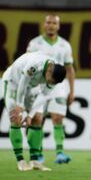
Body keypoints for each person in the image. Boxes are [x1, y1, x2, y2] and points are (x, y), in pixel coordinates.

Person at [2, 51, 66, 171]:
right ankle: (20, 161)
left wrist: (30, 115)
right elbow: (22, 84)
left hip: (32, 87)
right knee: (16, 118)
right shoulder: (34, 65)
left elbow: (43, 96)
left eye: (53, 83)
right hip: (13, 83)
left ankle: (35, 160)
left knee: (37, 118)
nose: (51, 84)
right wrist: (21, 108)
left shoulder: (55, 74)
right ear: (49, 71)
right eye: (51, 81)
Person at [26, 14, 75, 164]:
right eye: (48, 22)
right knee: (37, 119)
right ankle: (38, 153)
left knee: (58, 117)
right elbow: (27, 66)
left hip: (58, 87)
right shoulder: (35, 44)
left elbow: (70, 68)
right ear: (44, 24)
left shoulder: (65, 45)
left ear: (58, 26)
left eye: (54, 23)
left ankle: (60, 152)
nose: (51, 25)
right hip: (38, 86)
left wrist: (72, 90)